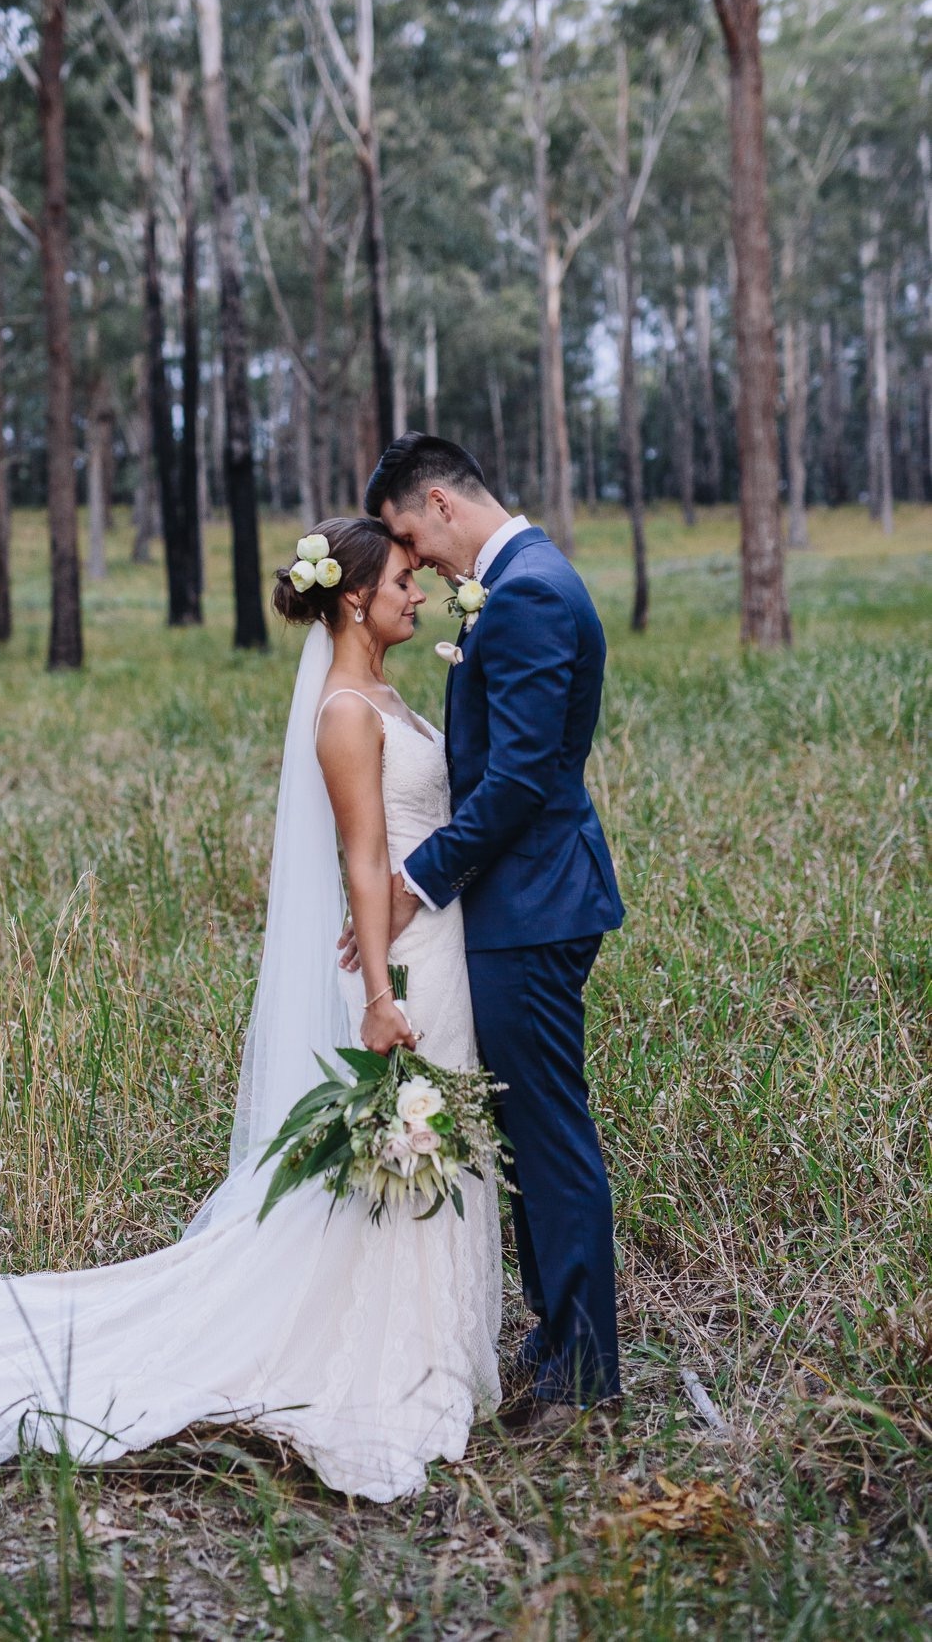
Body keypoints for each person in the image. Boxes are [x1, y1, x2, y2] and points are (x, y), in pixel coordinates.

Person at [0, 517, 504, 1501]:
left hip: (434, 946)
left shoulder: (386, 693)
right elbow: (361, 857)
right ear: (355, 595)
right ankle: (388, 1362)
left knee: (422, 1158)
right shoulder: (344, 712)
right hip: (400, 965)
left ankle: (428, 1344)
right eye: (405, 577)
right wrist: (373, 998)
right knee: (398, 1159)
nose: (418, 590)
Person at [344, 431, 625, 1427]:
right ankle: (557, 1338)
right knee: (528, 1122)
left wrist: (419, 878)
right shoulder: (517, 586)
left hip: (535, 901)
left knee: (548, 1130)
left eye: (406, 533)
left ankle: (585, 1370)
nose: (408, 558)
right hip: (520, 897)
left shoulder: (533, 591)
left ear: (438, 500)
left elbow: (523, 777)